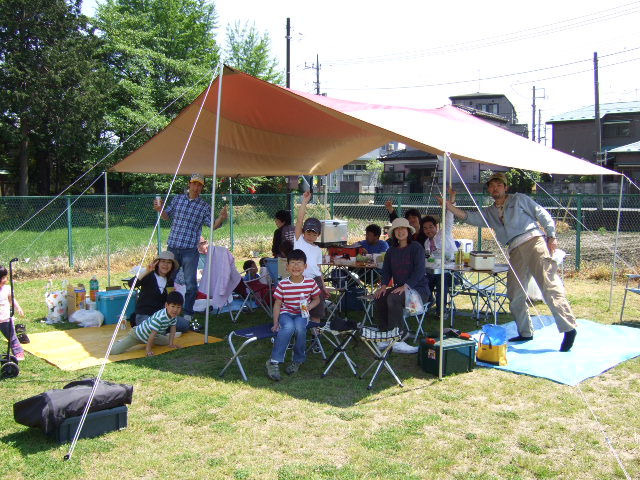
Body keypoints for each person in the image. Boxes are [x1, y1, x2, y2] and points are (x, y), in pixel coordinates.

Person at [443, 172, 578, 352]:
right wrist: (448, 206)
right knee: (514, 292)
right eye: (491, 186)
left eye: (499, 185)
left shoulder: (519, 199)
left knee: (548, 285)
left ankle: (569, 328)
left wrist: (551, 235)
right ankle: (525, 331)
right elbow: (469, 217)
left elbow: (541, 213)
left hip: (533, 241)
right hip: (514, 249)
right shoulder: (490, 212)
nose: (495, 188)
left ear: (506, 187)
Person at [153, 173, 228, 322]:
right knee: (166, 279)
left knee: (191, 284)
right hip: (173, 246)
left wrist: (221, 218)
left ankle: (187, 312)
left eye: (199, 185)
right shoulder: (178, 199)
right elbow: (166, 216)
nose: (196, 187)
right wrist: (160, 209)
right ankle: (165, 309)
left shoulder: (204, 206)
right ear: (189, 184)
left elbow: (213, 226)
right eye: (194, 183)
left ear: (202, 188)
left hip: (190, 249)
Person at [373, 218, 431, 347]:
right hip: (400, 289)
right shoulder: (391, 250)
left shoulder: (416, 247)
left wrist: (406, 286)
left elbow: (420, 271)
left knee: (393, 298)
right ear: (393, 233)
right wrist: (383, 286)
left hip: (419, 291)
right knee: (380, 296)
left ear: (408, 231)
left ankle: (397, 337)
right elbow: (386, 270)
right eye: (397, 229)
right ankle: (385, 333)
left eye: (403, 228)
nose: (400, 231)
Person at [266, 249, 321, 381]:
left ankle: (297, 360)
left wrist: (309, 306)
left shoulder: (310, 283)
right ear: (287, 266)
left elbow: (317, 299)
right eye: (293, 263)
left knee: (300, 328)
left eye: (299, 263)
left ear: (305, 266)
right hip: (286, 313)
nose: (296, 266)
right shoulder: (283, 284)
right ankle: (274, 361)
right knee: (288, 327)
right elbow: (277, 304)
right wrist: (275, 323)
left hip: (302, 314)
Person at [112, 291, 184, 356]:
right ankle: (121, 341)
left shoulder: (173, 316)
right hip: (138, 335)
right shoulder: (159, 318)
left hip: (153, 336)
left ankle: (149, 342)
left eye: (178, 307)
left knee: (166, 341)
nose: (175, 310)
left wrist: (171, 344)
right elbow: (152, 334)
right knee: (114, 351)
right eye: (173, 306)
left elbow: (173, 329)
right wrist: (148, 350)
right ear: (166, 305)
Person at [293, 191, 328, 323]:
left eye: (314, 234)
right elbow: (299, 220)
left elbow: (319, 270)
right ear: (303, 232)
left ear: (318, 235)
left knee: (317, 311)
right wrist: (305, 201)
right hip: (300, 280)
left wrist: (323, 286)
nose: (310, 236)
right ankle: (300, 330)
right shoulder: (299, 241)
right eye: (308, 232)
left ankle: (315, 332)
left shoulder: (318, 250)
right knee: (299, 309)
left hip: (315, 281)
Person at [423, 189, 460, 312]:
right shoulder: (427, 243)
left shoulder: (444, 234)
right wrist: (429, 261)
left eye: (431, 227)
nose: (428, 230)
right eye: (425, 228)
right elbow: (428, 258)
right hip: (436, 271)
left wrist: (451, 199)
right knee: (425, 280)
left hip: (453, 272)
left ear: (436, 227)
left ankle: (441, 310)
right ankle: (426, 305)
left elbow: (449, 217)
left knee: (441, 281)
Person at [0, 265, 25, 361]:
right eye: (1, 278)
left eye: (5, 277)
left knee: (12, 336)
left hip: (5, 319)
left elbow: (12, 300)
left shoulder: (7, 288)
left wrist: (18, 308)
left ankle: (19, 353)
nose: (4, 280)